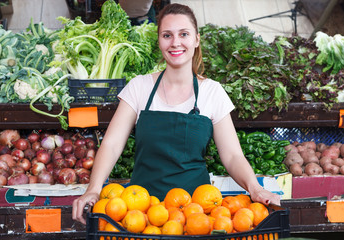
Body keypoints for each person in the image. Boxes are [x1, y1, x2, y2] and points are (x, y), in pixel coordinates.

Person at [72, 3, 280, 224]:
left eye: (184, 34)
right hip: (141, 214)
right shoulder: (139, 87)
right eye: (167, 35)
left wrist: (255, 188)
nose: (175, 42)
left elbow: (232, 156)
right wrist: (93, 189)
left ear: (196, 40)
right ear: (159, 40)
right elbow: (112, 145)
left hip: (196, 215)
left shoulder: (212, 92)